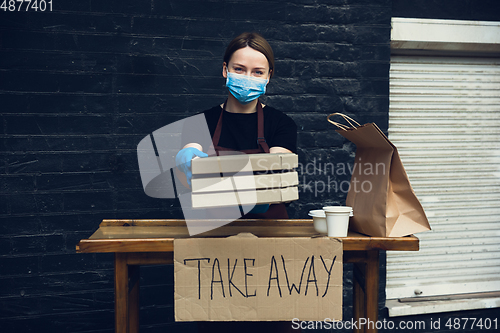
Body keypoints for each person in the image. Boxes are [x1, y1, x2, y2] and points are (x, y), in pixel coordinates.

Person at [176, 31, 297, 219]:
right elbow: (187, 179)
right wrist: (186, 161)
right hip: (214, 232)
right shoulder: (200, 123)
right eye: (239, 69)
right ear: (225, 70)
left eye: (258, 72)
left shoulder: (281, 124)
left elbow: (278, 174)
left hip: (270, 234)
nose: (248, 77)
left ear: (268, 76)